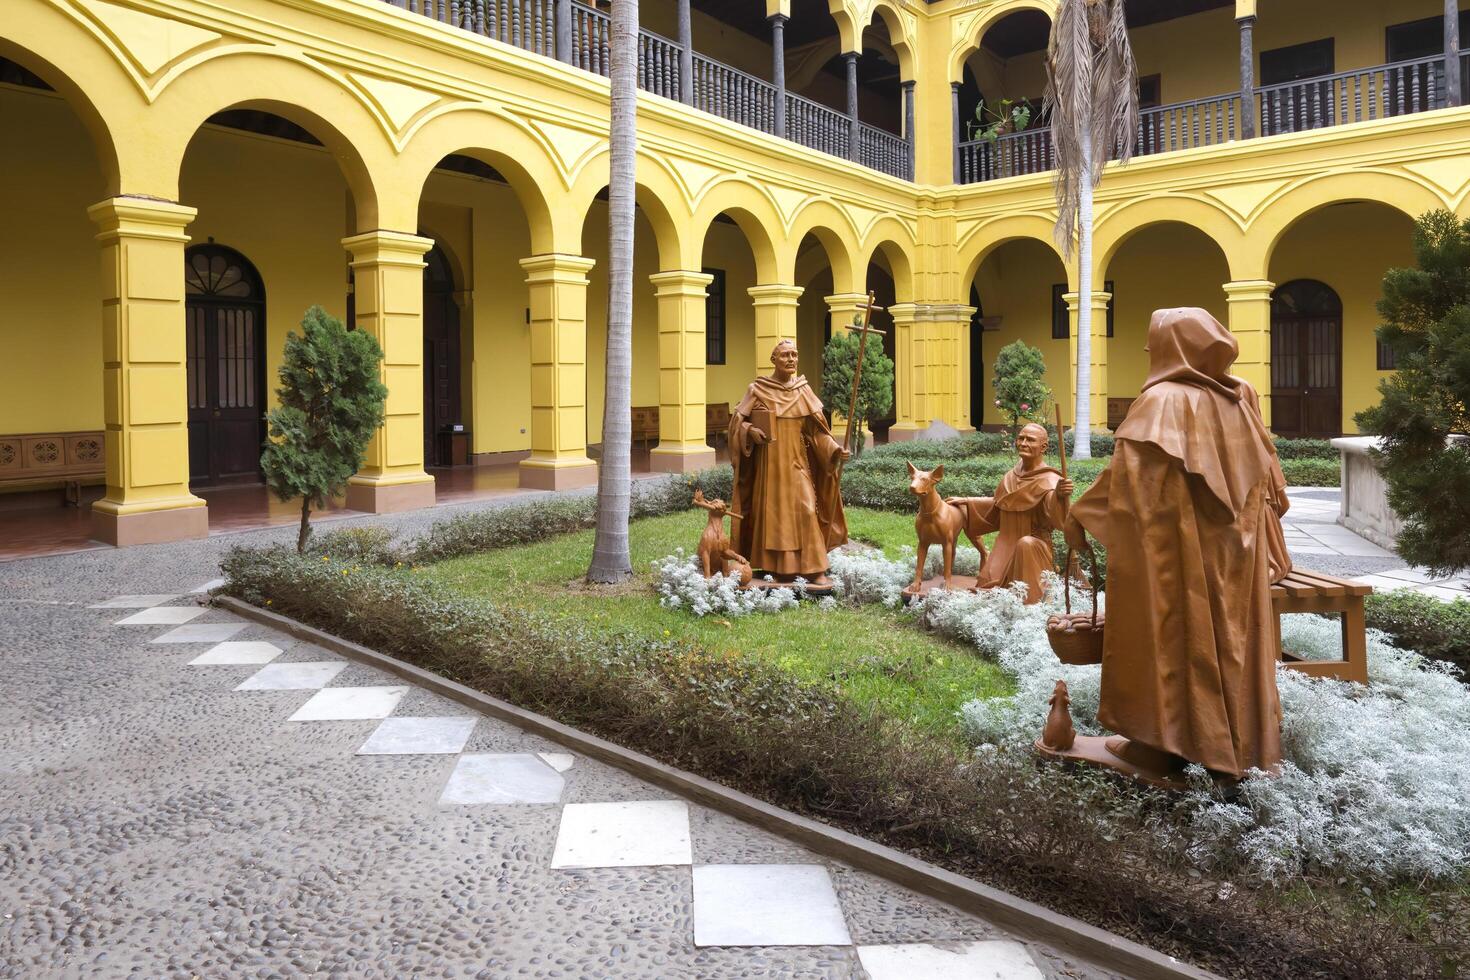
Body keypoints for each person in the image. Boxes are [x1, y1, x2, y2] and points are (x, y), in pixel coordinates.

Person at [1064, 308, 1290, 780]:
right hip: (1232, 561)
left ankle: (1162, 744)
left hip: (1177, 560)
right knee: (1226, 643)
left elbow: (1130, 487)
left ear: (1173, 346)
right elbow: (1256, 492)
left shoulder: (1162, 402)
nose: (1149, 350)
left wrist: (1080, 512)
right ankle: (1229, 744)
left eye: (1154, 341)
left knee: (1168, 637)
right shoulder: (1236, 401)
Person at [727, 339, 849, 587]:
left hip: (797, 464)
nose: (791, 359)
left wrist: (835, 449)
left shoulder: (803, 390)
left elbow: (816, 433)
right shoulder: (758, 389)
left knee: (806, 509)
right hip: (768, 468)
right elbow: (736, 424)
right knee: (774, 517)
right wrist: (749, 431)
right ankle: (779, 569)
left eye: (794, 354)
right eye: (785, 355)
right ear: (774, 360)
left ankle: (815, 569)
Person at [947, 422, 1074, 604]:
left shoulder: (1051, 480)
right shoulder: (1010, 476)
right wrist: (968, 502)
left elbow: (1053, 513)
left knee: (1024, 553)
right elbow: (1001, 506)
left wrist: (1059, 496)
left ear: (1043, 447)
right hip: (1004, 545)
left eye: (1030, 440)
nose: (1023, 443)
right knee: (986, 584)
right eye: (1020, 438)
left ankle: (1031, 604)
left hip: (1031, 548)